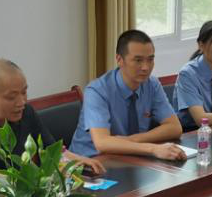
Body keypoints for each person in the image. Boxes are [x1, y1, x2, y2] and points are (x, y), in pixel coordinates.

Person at [0, 58, 104, 190]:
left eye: (24, 92)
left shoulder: (26, 112)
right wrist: (25, 179)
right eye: (11, 97)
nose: (21, 102)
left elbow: (51, 151)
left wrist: (78, 160)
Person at [68, 30, 186, 160]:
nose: (146, 67)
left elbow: (175, 127)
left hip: (128, 156)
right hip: (89, 162)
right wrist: (153, 149)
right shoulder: (97, 91)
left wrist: (131, 140)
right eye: (138, 60)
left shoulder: (151, 84)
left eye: (150, 59)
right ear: (119, 60)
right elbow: (102, 143)